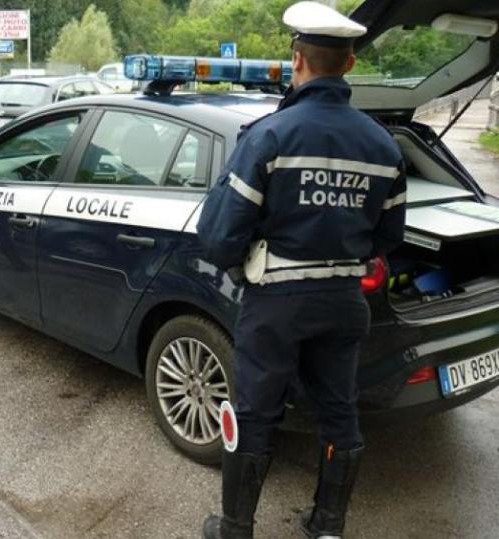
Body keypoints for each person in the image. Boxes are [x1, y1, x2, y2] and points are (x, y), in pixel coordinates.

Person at [198, 2, 406, 538]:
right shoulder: (384, 146)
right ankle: (327, 526)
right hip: (343, 303)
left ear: (297, 60)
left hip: (276, 305)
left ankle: (236, 528)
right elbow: (388, 239)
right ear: (350, 65)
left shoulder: (269, 136)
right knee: (339, 412)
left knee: (255, 414)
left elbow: (220, 236)